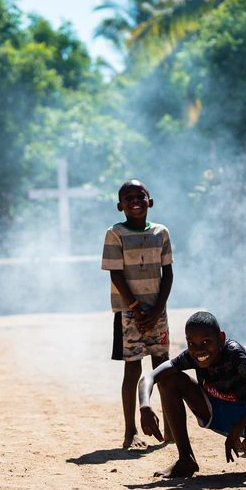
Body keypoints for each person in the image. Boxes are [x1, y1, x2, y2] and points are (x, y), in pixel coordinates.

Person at [139, 311, 246, 477]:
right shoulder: (192, 356)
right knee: (168, 380)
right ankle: (186, 459)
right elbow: (149, 377)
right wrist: (144, 406)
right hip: (214, 411)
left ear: (221, 338)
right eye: (192, 343)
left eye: (206, 342)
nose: (199, 350)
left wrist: (237, 428)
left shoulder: (235, 355)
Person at [101, 179, 174, 450]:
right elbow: (115, 273)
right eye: (128, 197)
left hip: (157, 311)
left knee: (163, 367)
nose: (135, 200)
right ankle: (130, 431)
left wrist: (157, 309)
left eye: (140, 195)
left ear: (150, 201)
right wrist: (134, 307)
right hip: (129, 313)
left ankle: (171, 427)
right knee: (132, 368)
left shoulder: (161, 232)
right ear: (120, 206)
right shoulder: (115, 234)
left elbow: (168, 274)